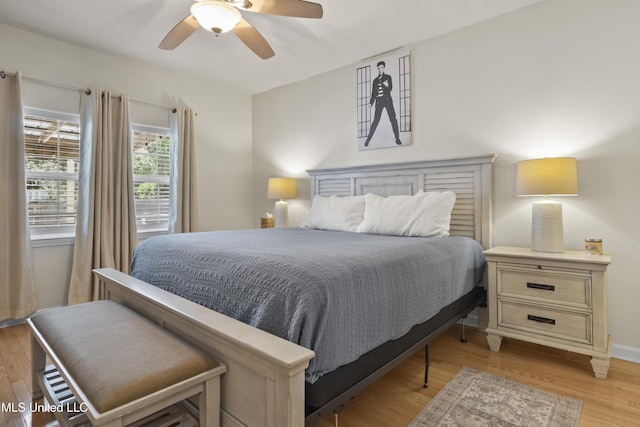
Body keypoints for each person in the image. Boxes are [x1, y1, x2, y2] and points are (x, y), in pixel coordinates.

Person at [364, 61, 402, 147]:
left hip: (388, 101)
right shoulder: (375, 81)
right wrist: (371, 103)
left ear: (384, 68)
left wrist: (387, 85)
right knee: (375, 121)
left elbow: (390, 89)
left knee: (393, 119)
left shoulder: (388, 77)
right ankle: (368, 139)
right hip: (379, 102)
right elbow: (373, 93)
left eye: (381, 68)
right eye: (378, 68)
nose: (380, 70)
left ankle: (397, 138)